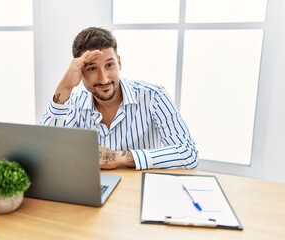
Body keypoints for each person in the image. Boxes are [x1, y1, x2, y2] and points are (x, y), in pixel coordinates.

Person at [40, 27, 198, 170]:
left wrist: (120, 157)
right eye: (92, 68)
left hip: (138, 192)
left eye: (109, 65)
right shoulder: (74, 103)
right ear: (80, 71)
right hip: (94, 192)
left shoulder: (154, 96)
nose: (104, 79)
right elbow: (43, 154)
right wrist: (64, 89)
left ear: (119, 62)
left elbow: (188, 153)